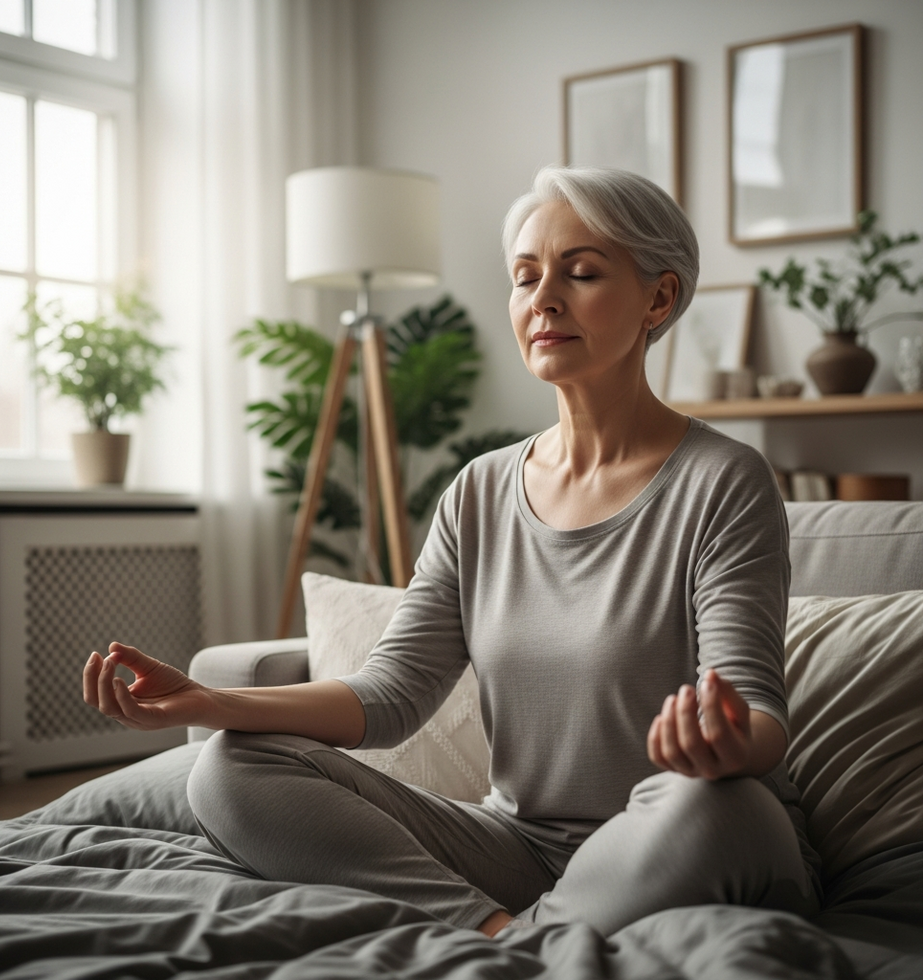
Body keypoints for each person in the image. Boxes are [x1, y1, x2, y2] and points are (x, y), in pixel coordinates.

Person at [84, 166, 821, 939]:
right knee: (232, 768)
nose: (543, 299)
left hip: (677, 827)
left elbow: (756, 709)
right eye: (526, 277)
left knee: (719, 807)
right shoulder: (478, 492)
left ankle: (524, 940)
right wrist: (214, 705)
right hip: (519, 848)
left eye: (581, 272)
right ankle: (497, 933)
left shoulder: (723, 481)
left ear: (659, 299)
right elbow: (391, 694)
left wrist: (726, 740)